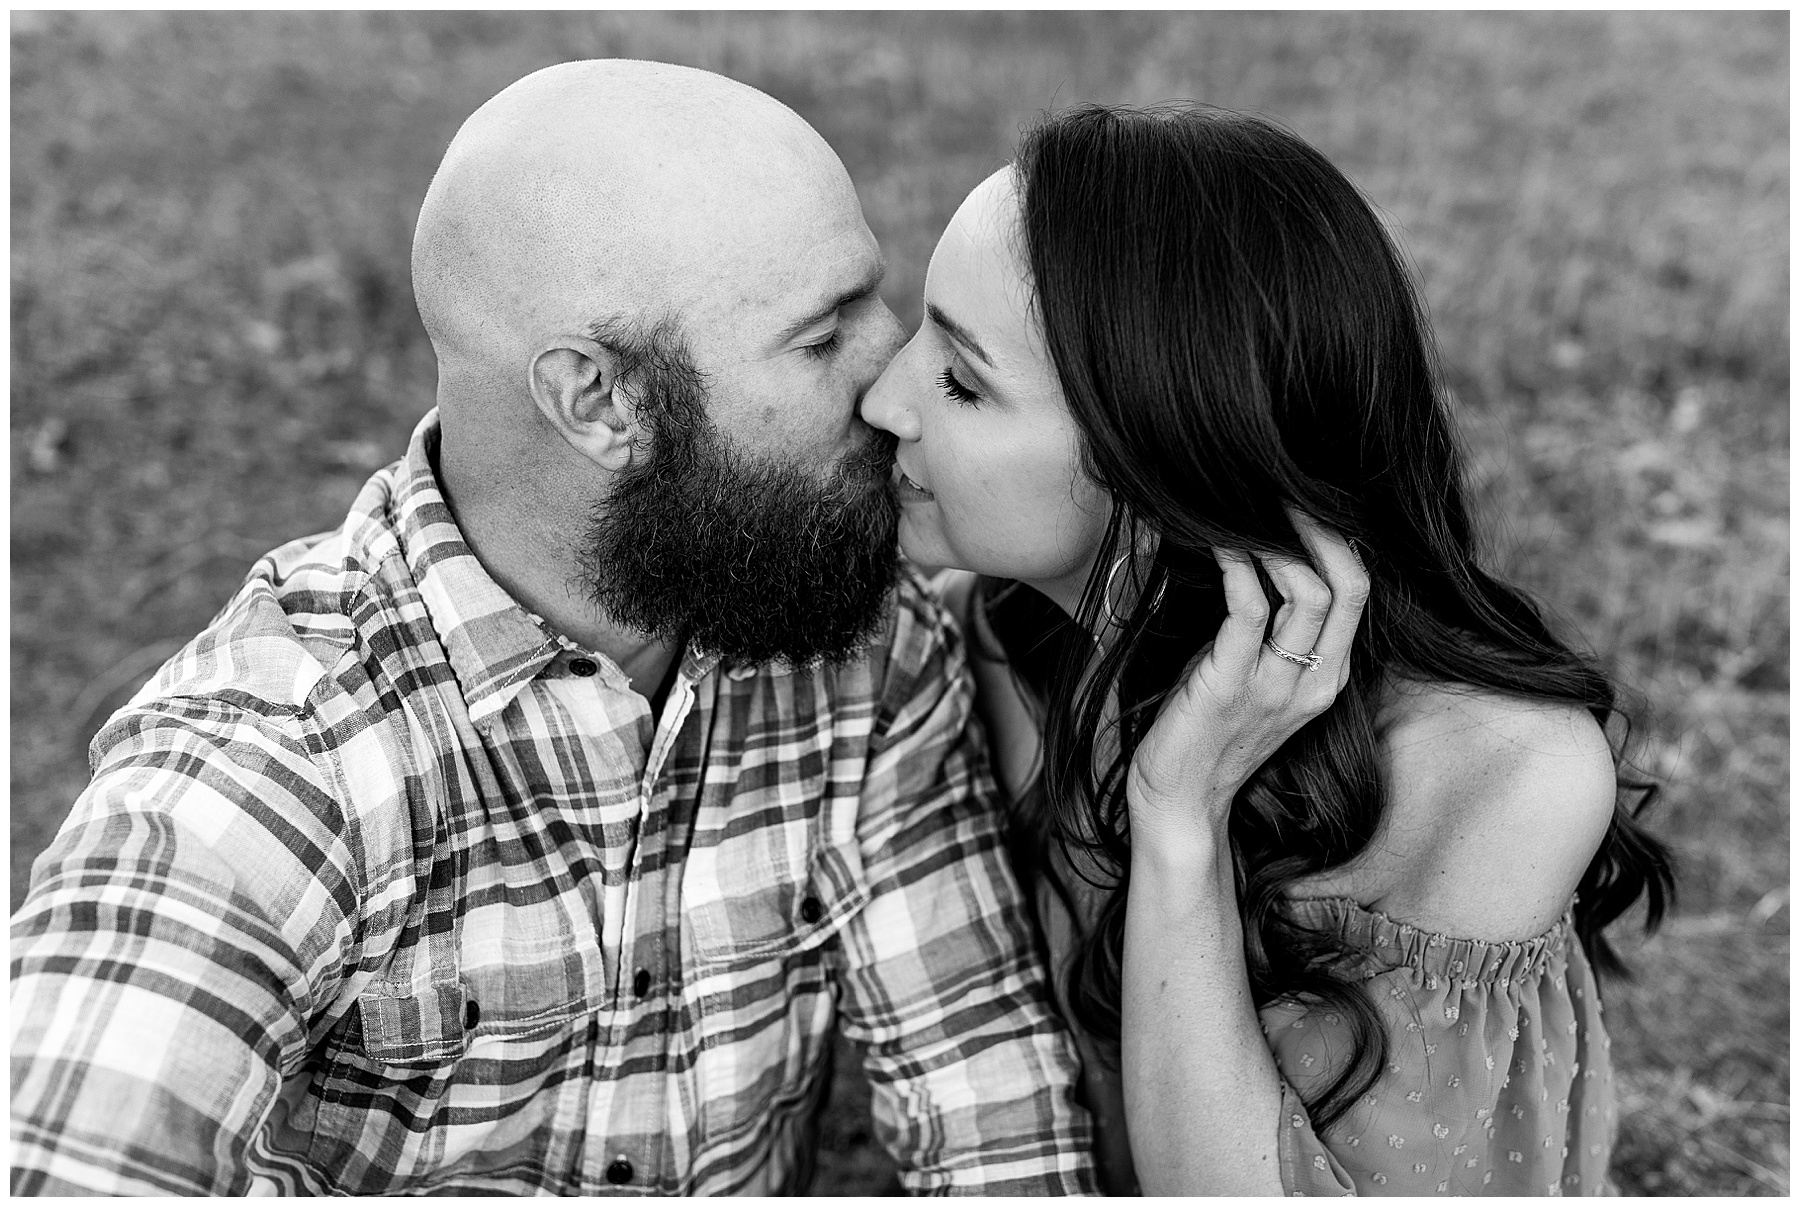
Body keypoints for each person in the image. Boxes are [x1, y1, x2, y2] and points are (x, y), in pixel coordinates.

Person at [8, 61, 1098, 1196]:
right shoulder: (270, 768)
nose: (890, 387)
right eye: (823, 340)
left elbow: (998, 1134)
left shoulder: (861, 648)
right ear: (600, 402)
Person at [860, 102, 1674, 1196]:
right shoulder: (989, 638)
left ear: (1163, 468)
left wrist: (1178, 818)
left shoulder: (1496, 778)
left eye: (963, 380)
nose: (883, 400)